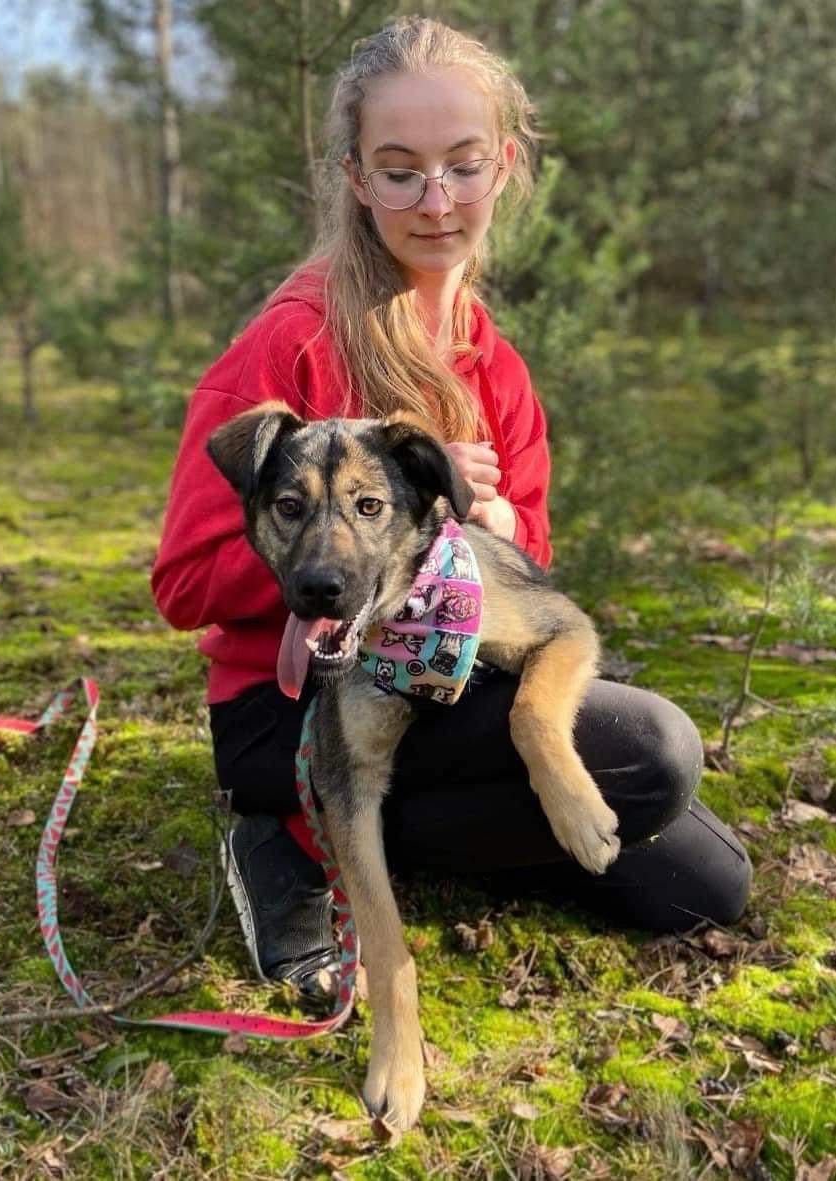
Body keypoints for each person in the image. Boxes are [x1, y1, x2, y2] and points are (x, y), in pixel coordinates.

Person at [151, 17, 751, 997]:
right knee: (650, 751)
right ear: (354, 174)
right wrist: (361, 552)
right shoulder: (292, 343)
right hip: (291, 702)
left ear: (504, 166)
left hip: (444, 685)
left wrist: (489, 529)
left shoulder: (496, 367)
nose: (436, 201)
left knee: (705, 883)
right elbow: (181, 582)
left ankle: (419, 830)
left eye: (463, 166)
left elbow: (533, 567)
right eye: (400, 171)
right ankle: (288, 839)